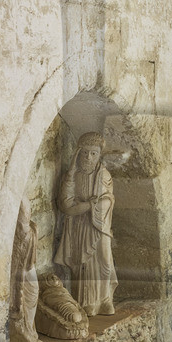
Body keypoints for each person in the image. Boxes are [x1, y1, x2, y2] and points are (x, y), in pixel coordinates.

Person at [54, 132, 118, 315]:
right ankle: (88, 302)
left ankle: (105, 298)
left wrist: (91, 206)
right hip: (80, 225)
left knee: (105, 261)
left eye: (94, 153)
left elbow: (108, 199)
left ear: (99, 155)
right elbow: (65, 203)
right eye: (85, 153)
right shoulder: (73, 175)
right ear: (78, 154)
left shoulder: (103, 174)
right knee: (84, 263)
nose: (89, 157)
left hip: (100, 225)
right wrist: (72, 174)